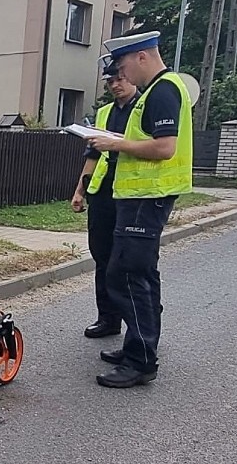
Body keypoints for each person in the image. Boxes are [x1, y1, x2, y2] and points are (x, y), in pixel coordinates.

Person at [84, 30, 193, 388]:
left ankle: (141, 360)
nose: (122, 74)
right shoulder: (155, 90)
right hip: (138, 198)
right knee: (139, 273)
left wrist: (116, 142)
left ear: (142, 56)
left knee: (127, 275)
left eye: (124, 65)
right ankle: (138, 345)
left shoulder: (163, 90)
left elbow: (164, 148)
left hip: (148, 197)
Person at [71, 59, 139, 339]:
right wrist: (79, 190)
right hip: (102, 194)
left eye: (120, 79)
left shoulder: (142, 109)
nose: (115, 85)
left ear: (132, 78)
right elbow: (93, 155)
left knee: (127, 261)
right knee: (102, 257)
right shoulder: (106, 113)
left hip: (132, 195)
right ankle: (107, 318)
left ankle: (137, 324)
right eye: (110, 81)